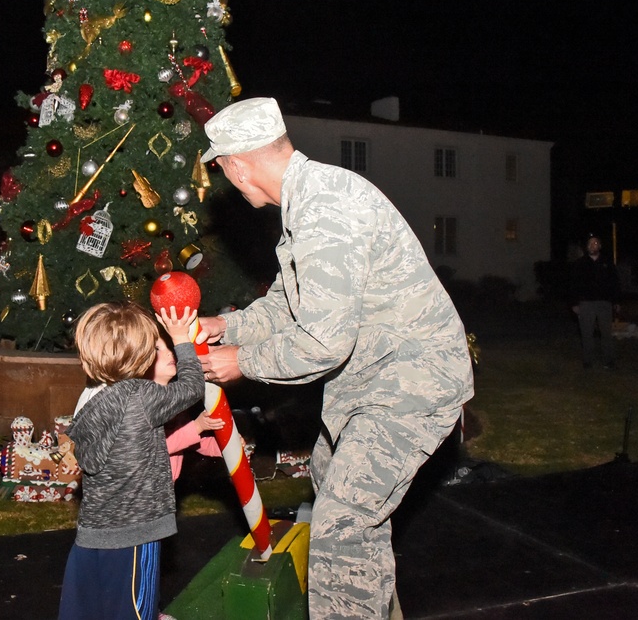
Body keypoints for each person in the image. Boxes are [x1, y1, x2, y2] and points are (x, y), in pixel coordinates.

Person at [195, 97, 474, 619]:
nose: (226, 180)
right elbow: (287, 302)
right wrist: (228, 326)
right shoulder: (308, 201)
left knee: (342, 521)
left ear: (236, 164)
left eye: (222, 169)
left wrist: (242, 362)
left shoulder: (327, 210)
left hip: (411, 382)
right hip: (371, 380)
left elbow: (324, 343)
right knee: (334, 486)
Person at [58, 302, 203, 620]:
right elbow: (192, 387)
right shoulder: (141, 396)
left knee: (89, 608)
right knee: (136, 609)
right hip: (136, 531)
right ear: (144, 356)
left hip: (93, 531)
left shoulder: (89, 399)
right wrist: (181, 339)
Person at [149, 335, 224, 482]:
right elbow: (156, 447)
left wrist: (225, 447)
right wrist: (197, 426)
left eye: (170, 347)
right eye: (157, 349)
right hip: (142, 493)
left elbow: (193, 441)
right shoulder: (142, 402)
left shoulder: (175, 399)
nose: (170, 352)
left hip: (164, 490)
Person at [570, 233, 620, 369]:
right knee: (587, 333)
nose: (593, 245)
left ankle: (609, 361)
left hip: (604, 303)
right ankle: (588, 361)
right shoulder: (580, 264)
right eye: (590, 243)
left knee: (606, 333)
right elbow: (573, 285)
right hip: (586, 303)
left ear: (600, 246)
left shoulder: (607, 263)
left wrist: (616, 301)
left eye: (596, 243)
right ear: (587, 247)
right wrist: (574, 303)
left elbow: (615, 282)